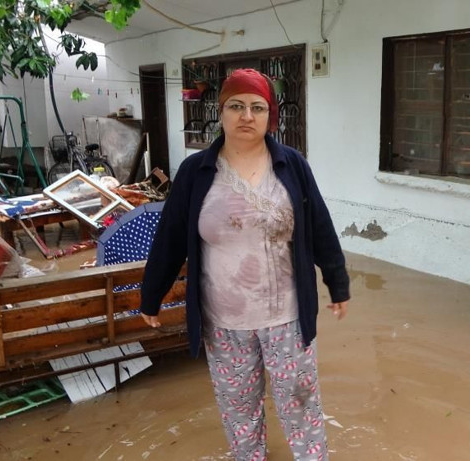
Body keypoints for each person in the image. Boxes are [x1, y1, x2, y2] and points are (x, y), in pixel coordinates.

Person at [139, 68, 350, 460]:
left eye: (257, 107)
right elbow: (169, 237)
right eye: (236, 106)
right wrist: (152, 296)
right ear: (220, 112)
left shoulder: (292, 166)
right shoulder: (196, 172)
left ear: (271, 115)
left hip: (287, 317)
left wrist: (337, 284)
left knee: (300, 405)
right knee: (239, 410)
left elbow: (320, 226)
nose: (246, 116)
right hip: (224, 322)